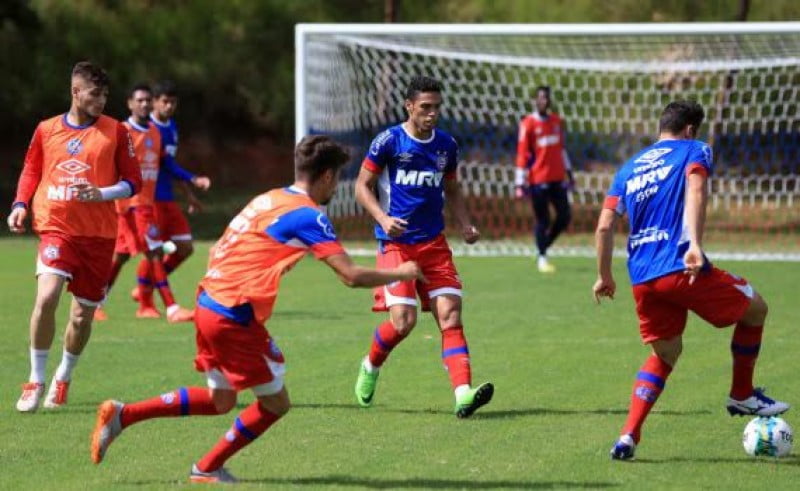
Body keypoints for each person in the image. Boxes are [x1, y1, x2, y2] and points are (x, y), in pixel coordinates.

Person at [90, 135, 424, 483]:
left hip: (210, 301)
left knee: (221, 399)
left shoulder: (268, 198)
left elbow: (219, 246)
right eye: (337, 177)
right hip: (231, 313)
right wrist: (401, 273)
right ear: (326, 176)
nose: (336, 186)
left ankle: (122, 416)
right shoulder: (309, 216)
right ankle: (206, 468)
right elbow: (351, 276)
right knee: (276, 403)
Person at [592, 100, 790, 460]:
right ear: (689, 130)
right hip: (680, 265)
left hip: (642, 277)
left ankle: (627, 437)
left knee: (665, 353)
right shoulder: (695, 149)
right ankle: (742, 394)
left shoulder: (629, 167)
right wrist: (695, 245)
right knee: (756, 308)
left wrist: (604, 276)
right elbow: (696, 191)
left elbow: (605, 225)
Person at [352, 75, 493, 418]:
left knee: (450, 315)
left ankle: (463, 394)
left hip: (434, 244)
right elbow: (361, 187)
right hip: (396, 245)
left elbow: (453, 188)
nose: (432, 114)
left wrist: (465, 223)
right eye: (425, 107)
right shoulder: (388, 141)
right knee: (403, 321)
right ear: (410, 106)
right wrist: (383, 219)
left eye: (436, 108)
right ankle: (370, 365)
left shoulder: (446, 145)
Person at [8, 61, 142, 411]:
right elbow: (32, 169)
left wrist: (101, 193)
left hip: (98, 236)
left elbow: (134, 182)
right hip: (57, 228)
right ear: (76, 92)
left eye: (105, 95)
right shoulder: (46, 129)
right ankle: (35, 380)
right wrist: (20, 203)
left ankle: (63, 376)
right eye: (95, 94)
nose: (101, 101)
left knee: (82, 316)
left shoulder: (117, 132)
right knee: (47, 296)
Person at [95, 84, 194, 323]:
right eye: (139, 100)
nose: (144, 104)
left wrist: (191, 181)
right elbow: (104, 163)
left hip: (145, 202)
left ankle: (94, 302)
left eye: (148, 100)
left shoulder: (154, 132)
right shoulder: (121, 131)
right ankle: (171, 308)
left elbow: (165, 163)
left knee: (121, 256)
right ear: (130, 103)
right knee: (154, 252)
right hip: (131, 203)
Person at [135, 80, 211, 306]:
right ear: (155, 103)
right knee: (154, 250)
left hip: (168, 197)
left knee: (185, 248)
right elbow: (164, 164)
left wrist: (189, 195)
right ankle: (145, 298)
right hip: (151, 199)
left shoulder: (172, 127)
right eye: (164, 101)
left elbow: (170, 164)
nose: (169, 106)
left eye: (173, 102)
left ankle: (146, 286)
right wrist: (194, 178)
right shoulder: (149, 129)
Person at [514, 86, 575, 273]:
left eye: (547, 98)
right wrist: (519, 182)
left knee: (565, 216)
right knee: (543, 220)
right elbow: (522, 153)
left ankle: (543, 245)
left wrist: (570, 174)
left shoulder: (557, 122)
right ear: (535, 100)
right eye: (540, 98)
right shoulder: (528, 124)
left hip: (557, 178)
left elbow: (562, 150)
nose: (544, 101)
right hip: (537, 180)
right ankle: (542, 258)